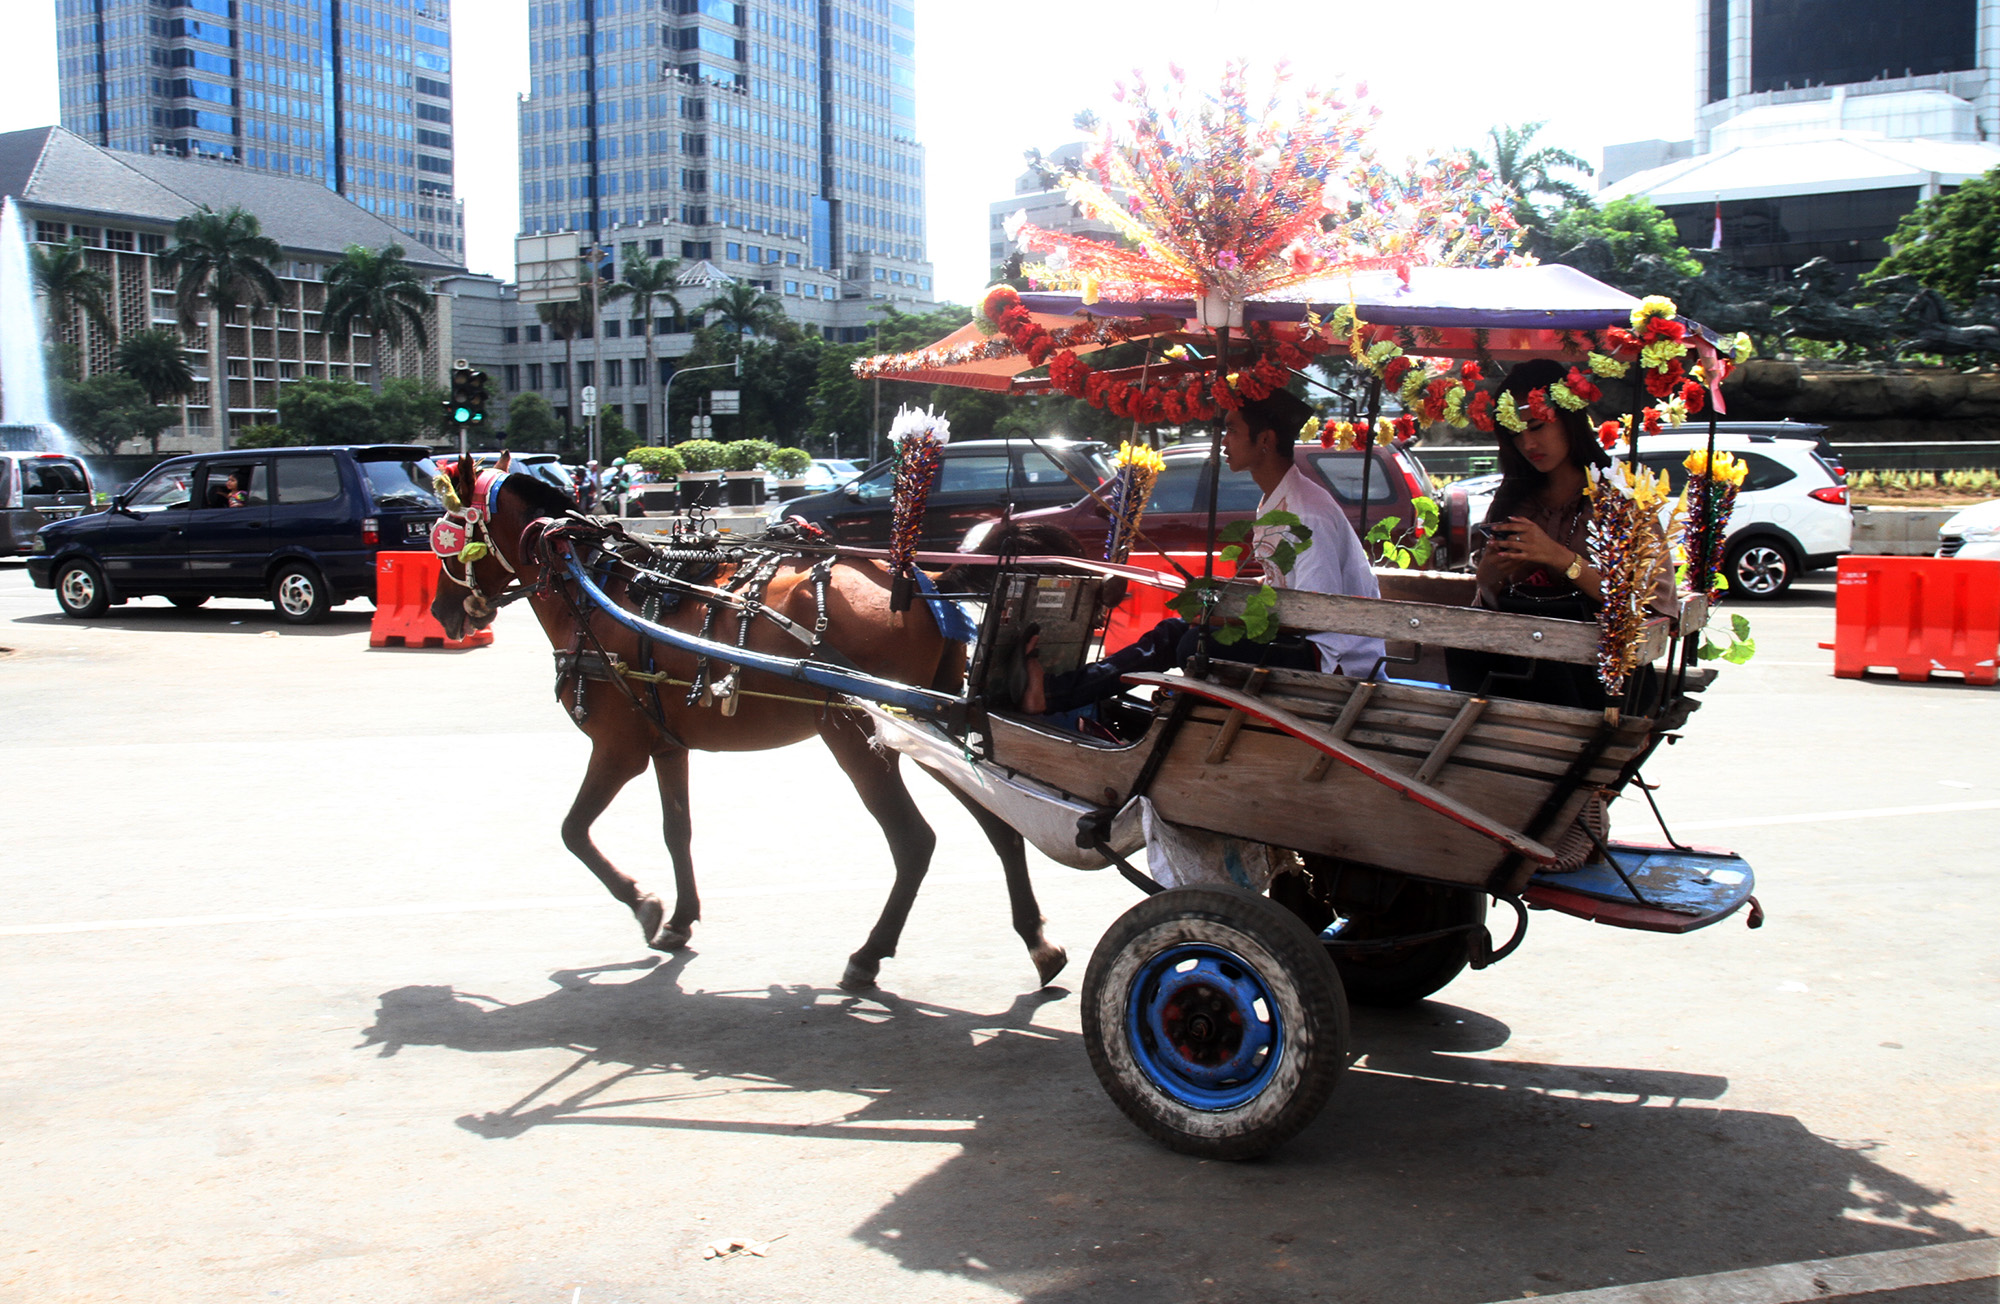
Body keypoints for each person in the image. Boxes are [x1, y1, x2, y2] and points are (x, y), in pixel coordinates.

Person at [1022, 389, 1384, 714]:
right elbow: (1284, 584)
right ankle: (1054, 694)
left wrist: (1224, 618)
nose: (1223, 442)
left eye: (1232, 430)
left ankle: (1079, 696)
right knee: (1174, 632)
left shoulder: (1305, 513)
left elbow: (1313, 612)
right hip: (1301, 641)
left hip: (1330, 658)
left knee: (1196, 642)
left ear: (1265, 440)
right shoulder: (1278, 500)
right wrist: (1220, 601)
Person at [1450, 357, 1675, 707]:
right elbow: (1488, 607)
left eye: (1537, 426)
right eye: (1515, 434)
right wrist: (1491, 577)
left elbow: (1647, 604)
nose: (1527, 444)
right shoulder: (1514, 501)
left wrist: (1561, 559)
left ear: (1569, 419)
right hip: (1513, 679)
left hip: (1601, 685)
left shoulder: (1621, 497)